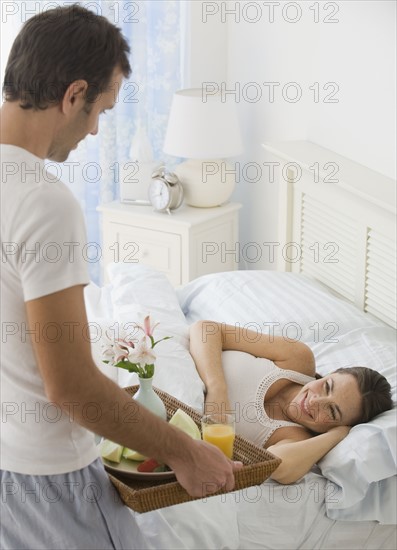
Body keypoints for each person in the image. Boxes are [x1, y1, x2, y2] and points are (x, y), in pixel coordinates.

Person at [0, 6, 241, 550]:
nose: (93, 129)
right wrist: (187, 453)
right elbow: (71, 387)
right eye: (99, 110)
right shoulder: (42, 202)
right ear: (73, 94)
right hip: (48, 481)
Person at [190, 320, 393, 485]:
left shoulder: (296, 438)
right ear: (330, 374)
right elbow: (206, 330)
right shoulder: (297, 359)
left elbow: (279, 466)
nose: (315, 401)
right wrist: (217, 389)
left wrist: (337, 435)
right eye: (327, 386)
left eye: (332, 411)